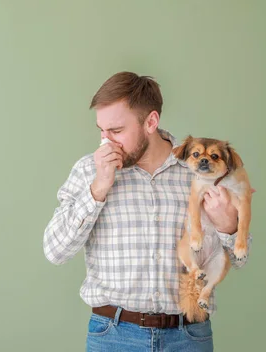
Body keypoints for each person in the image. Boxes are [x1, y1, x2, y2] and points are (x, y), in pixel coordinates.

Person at [43, 72, 253, 351]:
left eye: (116, 131)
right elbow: (55, 252)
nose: (105, 142)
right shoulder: (88, 170)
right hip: (113, 336)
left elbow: (239, 260)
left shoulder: (201, 171)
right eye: (101, 131)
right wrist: (98, 188)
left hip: (188, 337)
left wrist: (228, 225)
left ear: (151, 122)